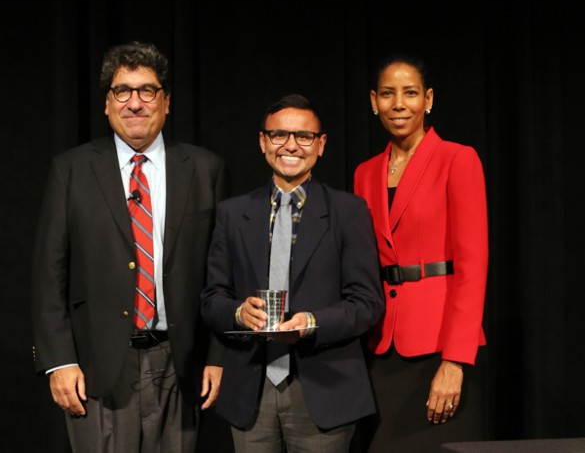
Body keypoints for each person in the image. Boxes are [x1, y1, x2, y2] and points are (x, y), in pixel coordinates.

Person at [30, 41, 228, 453]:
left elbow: (221, 275)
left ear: (166, 102)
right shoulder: (71, 169)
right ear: (107, 104)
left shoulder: (205, 168)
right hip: (96, 367)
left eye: (146, 91)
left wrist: (218, 355)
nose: (134, 103)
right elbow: (49, 273)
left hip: (181, 366)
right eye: (122, 91)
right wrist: (59, 361)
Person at [200, 93, 385, 452]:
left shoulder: (348, 212)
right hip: (251, 388)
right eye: (279, 135)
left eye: (303, 137)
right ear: (263, 141)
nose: (291, 146)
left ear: (321, 145)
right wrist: (239, 312)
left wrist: (311, 323)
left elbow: (367, 303)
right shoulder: (232, 213)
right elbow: (212, 298)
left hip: (323, 386)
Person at [353, 54, 489, 452]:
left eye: (410, 93)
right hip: (382, 345)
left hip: (439, 345)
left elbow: (473, 264)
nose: (399, 104)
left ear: (427, 100)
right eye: (388, 94)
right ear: (373, 101)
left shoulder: (457, 159)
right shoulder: (365, 172)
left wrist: (455, 360)